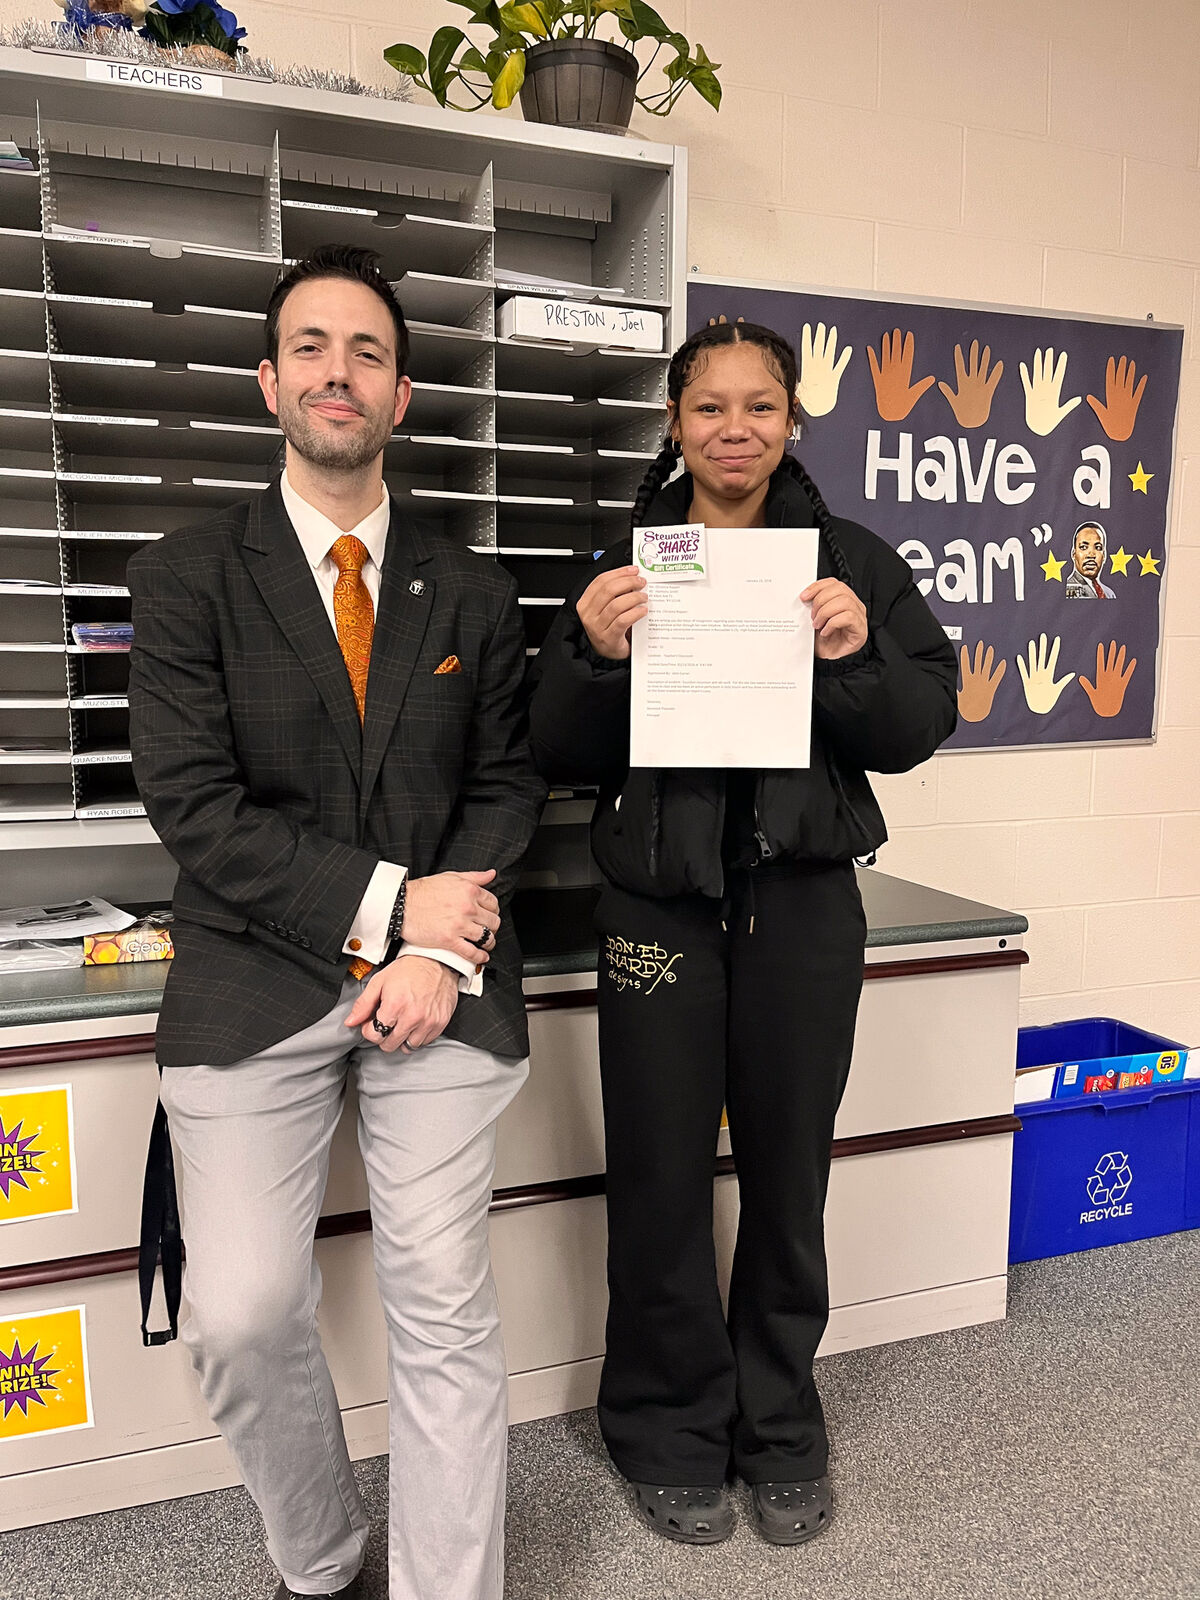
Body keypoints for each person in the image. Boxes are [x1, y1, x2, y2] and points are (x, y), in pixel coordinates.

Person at [127, 245, 545, 1600]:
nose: (337, 373)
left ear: (403, 396)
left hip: (444, 979)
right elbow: (194, 809)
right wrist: (386, 906)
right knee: (240, 1313)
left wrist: (433, 947)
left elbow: (506, 785)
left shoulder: (471, 591)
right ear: (269, 384)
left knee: (437, 1287)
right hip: (254, 973)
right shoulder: (191, 577)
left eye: (366, 352)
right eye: (310, 348)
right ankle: (320, 1564)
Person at [527, 321, 957, 1548]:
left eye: (758, 407)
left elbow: (922, 716)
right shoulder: (626, 563)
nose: (733, 428)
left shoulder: (850, 562)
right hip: (656, 909)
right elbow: (551, 744)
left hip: (803, 908)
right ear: (674, 422)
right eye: (709, 407)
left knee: (788, 1175)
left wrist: (854, 654)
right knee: (659, 1178)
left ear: (791, 422)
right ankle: (661, 1424)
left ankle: (780, 1425)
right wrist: (597, 654)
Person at [1065, 521, 1116, 598]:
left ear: (1104, 555)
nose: (1091, 555)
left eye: (1098, 547)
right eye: (1083, 547)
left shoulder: (1109, 594)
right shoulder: (1069, 590)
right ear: (1073, 554)